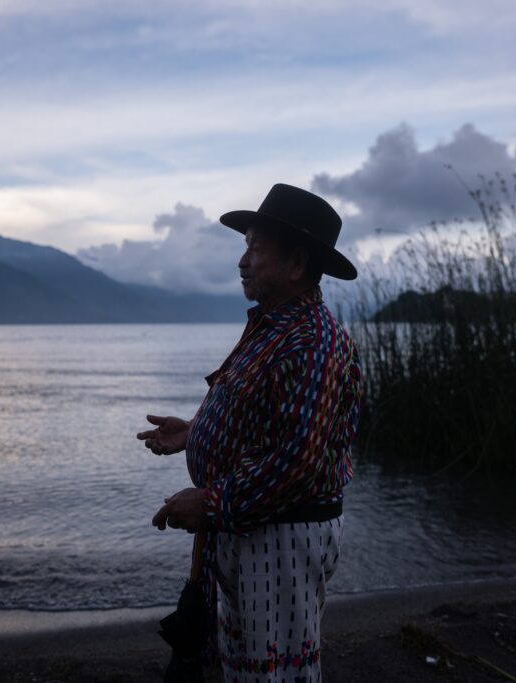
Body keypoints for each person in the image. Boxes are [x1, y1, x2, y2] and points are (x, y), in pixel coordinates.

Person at [138, 183, 363, 682]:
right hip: (256, 529)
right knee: (246, 669)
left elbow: (298, 462)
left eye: (256, 248)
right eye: (246, 247)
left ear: (297, 263)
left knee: (273, 674)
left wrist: (209, 503)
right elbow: (267, 421)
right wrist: (195, 432)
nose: (243, 261)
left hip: (281, 537)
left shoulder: (311, 343)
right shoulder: (275, 328)